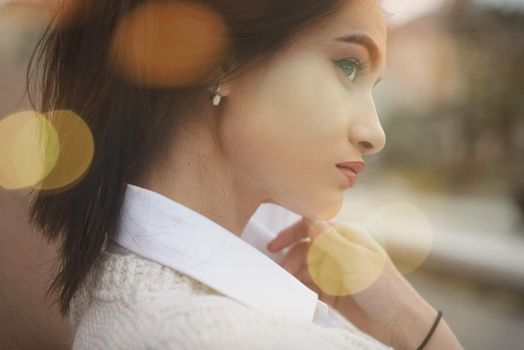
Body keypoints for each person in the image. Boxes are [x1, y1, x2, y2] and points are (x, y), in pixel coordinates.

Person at [26, 0, 464, 349]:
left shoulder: (124, 272)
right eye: (347, 66)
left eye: (373, 86)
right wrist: (414, 326)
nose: (375, 134)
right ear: (221, 59)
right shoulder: (224, 336)